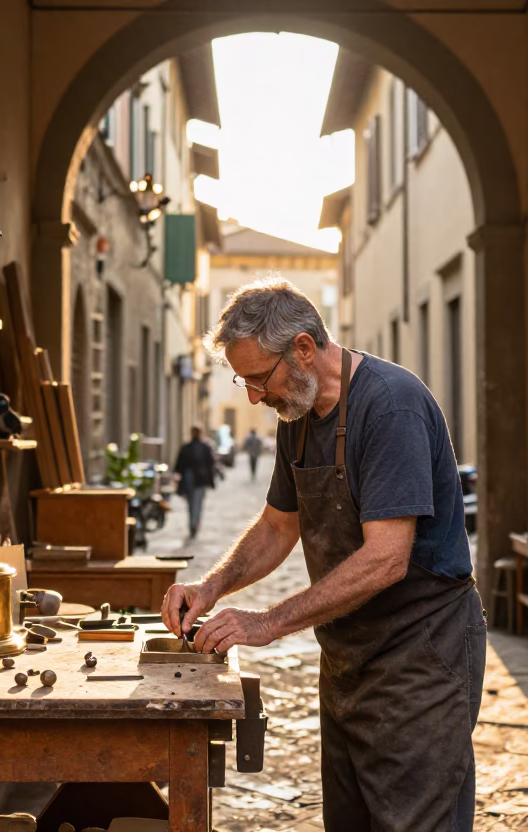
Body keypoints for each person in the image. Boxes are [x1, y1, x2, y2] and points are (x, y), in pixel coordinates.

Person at [162, 277, 485, 832]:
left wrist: (267, 622)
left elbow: (387, 558)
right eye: (245, 381)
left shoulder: (390, 407)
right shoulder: (300, 415)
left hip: (420, 655)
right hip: (348, 659)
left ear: (304, 349)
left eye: (259, 379)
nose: (254, 398)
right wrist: (209, 587)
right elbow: (275, 527)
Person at [173, 425, 217, 539]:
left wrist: (211, 481)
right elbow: (179, 465)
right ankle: (193, 524)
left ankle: (194, 524)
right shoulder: (189, 447)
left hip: (198, 481)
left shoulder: (203, 448)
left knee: (195, 504)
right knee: (193, 504)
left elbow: (210, 465)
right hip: (190, 481)